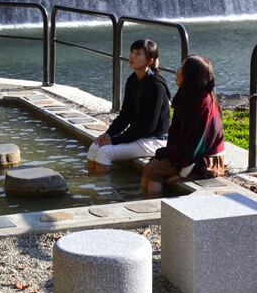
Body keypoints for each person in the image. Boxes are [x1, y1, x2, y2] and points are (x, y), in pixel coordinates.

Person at [141, 55, 226, 195]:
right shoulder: (187, 95)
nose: (177, 71)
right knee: (151, 167)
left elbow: (197, 146)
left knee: (153, 171)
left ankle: (152, 208)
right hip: (187, 155)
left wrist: (183, 175)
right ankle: (143, 202)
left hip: (206, 161)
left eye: (182, 69)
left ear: (191, 75)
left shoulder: (204, 103)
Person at [86, 39, 171, 174]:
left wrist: (115, 140)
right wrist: (107, 135)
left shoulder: (156, 85)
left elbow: (148, 126)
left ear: (150, 61)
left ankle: (102, 192)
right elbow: (125, 115)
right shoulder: (132, 80)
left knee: (105, 153)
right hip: (139, 136)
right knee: (95, 146)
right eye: (132, 52)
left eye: (138, 54)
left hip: (155, 140)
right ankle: (91, 186)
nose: (132, 56)